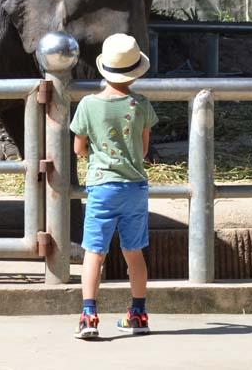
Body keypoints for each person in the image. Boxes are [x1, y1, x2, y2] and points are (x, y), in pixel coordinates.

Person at [70, 33, 158, 340]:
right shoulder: (142, 105)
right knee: (134, 252)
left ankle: (89, 316)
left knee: (94, 252)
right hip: (135, 187)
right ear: (135, 70)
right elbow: (144, 150)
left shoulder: (88, 105)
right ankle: (138, 313)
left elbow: (79, 148)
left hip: (102, 187)